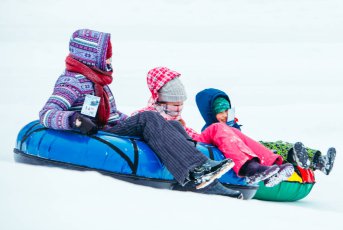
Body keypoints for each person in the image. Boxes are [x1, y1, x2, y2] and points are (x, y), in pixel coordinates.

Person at [38, 29, 238, 197]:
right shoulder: (71, 82)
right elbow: (47, 114)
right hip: (95, 135)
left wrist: (136, 120)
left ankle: (204, 182)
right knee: (149, 117)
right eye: (106, 55)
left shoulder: (98, 82)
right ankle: (198, 168)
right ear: (91, 56)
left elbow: (113, 115)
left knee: (173, 125)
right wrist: (75, 120)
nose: (109, 59)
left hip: (109, 129)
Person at [132, 67, 297, 187]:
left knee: (230, 130)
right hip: (182, 146)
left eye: (181, 104)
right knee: (217, 128)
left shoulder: (175, 116)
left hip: (195, 140)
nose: (179, 109)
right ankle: (249, 168)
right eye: (175, 104)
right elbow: (145, 130)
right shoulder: (147, 115)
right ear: (159, 99)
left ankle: (271, 164)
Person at [196, 88, 337, 176]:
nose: (225, 115)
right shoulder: (210, 130)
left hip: (250, 147)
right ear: (210, 114)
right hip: (247, 156)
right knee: (271, 150)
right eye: (221, 112)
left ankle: (318, 161)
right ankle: (295, 159)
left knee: (279, 145)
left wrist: (233, 125)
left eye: (227, 110)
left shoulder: (230, 123)